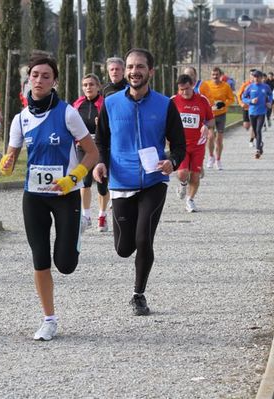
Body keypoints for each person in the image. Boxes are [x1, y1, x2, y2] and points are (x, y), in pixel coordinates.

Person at [0, 55, 99, 341]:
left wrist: (73, 178)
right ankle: (49, 319)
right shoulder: (20, 119)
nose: (39, 80)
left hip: (65, 195)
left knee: (65, 264)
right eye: (35, 75)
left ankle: (76, 232)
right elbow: (11, 156)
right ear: (28, 79)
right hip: (34, 197)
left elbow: (92, 153)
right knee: (40, 258)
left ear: (54, 81)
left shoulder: (68, 113)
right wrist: (5, 164)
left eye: (46, 76)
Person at [93, 48, 185, 316]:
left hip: (154, 181)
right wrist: (101, 162)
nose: (134, 71)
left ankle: (138, 295)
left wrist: (172, 162)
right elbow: (101, 140)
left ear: (150, 72)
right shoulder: (110, 104)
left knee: (144, 239)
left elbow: (179, 145)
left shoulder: (165, 105)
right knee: (123, 249)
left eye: (140, 67)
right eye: (131, 66)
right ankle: (122, 229)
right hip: (121, 182)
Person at [73, 73, 110, 232]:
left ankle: (102, 216)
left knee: (102, 184)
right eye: (85, 85)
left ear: (98, 87)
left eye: (91, 85)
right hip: (83, 147)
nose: (88, 87)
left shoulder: (105, 104)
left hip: (101, 147)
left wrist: (101, 124)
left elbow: (112, 127)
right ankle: (86, 216)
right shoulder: (77, 104)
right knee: (85, 182)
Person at [171, 74, 214, 212]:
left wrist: (206, 125)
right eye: (181, 89)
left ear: (193, 85)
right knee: (183, 173)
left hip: (198, 144)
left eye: (187, 89)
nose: (184, 92)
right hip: (180, 144)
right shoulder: (173, 101)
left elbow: (211, 120)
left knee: (195, 174)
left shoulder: (202, 100)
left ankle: (190, 200)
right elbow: (165, 121)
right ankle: (183, 184)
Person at [199, 67, 235, 170]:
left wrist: (224, 103)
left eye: (217, 75)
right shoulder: (206, 85)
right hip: (209, 115)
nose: (215, 76)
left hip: (221, 114)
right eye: (213, 75)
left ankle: (218, 160)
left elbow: (232, 99)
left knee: (219, 139)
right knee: (210, 137)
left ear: (221, 75)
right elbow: (200, 97)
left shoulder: (226, 86)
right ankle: (211, 157)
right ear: (211, 75)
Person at [242, 70, 272, 159]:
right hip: (252, 112)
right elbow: (243, 97)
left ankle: (257, 150)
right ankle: (260, 144)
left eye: (258, 77)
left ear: (261, 78)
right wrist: (250, 101)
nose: (256, 79)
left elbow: (270, 95)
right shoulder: (249, 87)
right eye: (255, 77)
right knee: (255, 132)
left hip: (262, 112)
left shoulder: (266, 87)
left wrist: (269, 102)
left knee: (258, 130)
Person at [237, 69, 257, 148]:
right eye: (251, 75)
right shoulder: (245, 85)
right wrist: (241, 103)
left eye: (254, 75)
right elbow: (239, 95)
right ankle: (251, 131)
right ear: (249, 76)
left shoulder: (258, 85)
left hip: (255, 108)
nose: (253, 76)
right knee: (246, 125)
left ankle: (251, 140)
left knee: (253, 125)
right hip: (246, 107)